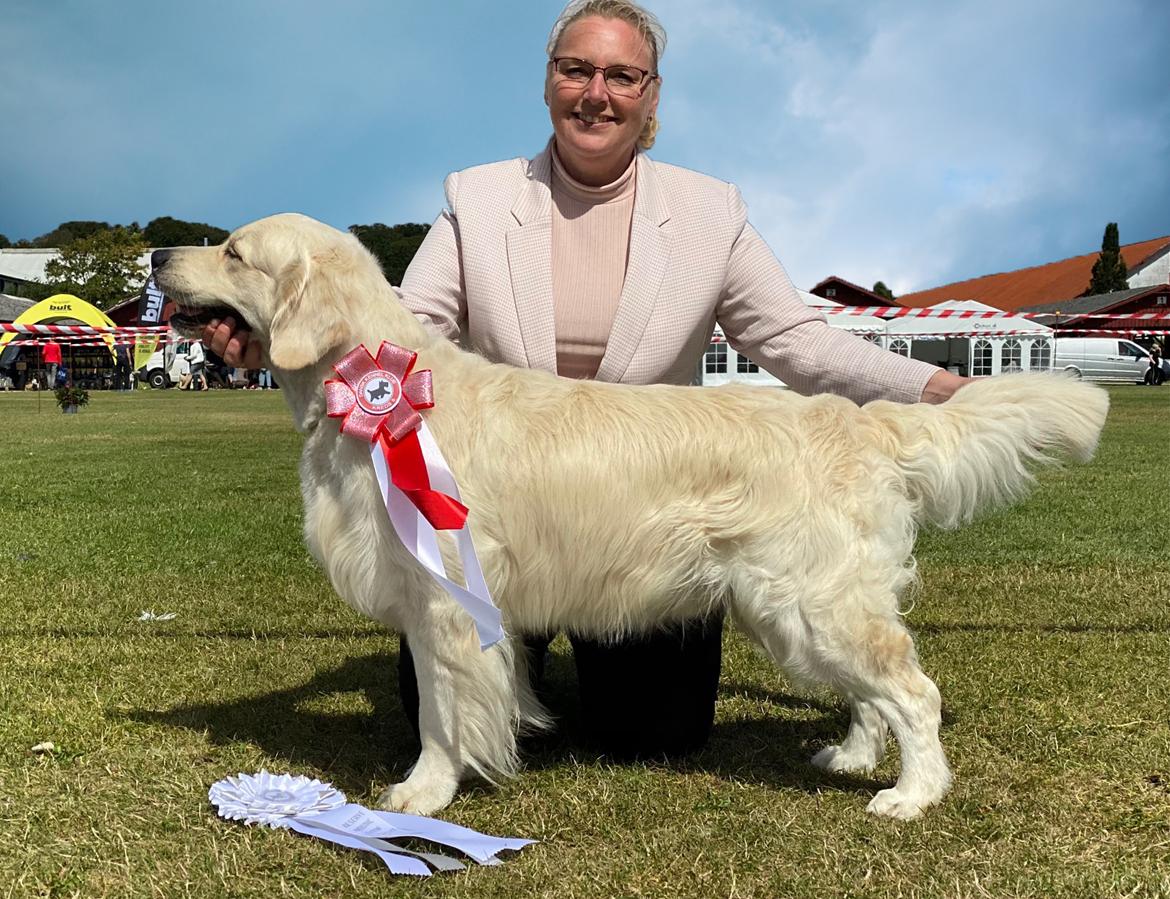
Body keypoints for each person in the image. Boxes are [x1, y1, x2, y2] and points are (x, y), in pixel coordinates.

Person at [204, 0, 970, 759]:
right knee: (424, 701)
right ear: (549, 82)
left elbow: (793, 339)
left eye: (621, 76)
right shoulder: (479, 198)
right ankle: (493, 695)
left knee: (654, 734)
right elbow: (404, 330)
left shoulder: (710, 212)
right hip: (505, 504)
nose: (596, 93)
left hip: (648, 505)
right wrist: (275, 339)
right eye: (576, 70)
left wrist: (933, 390)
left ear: (651, 95)